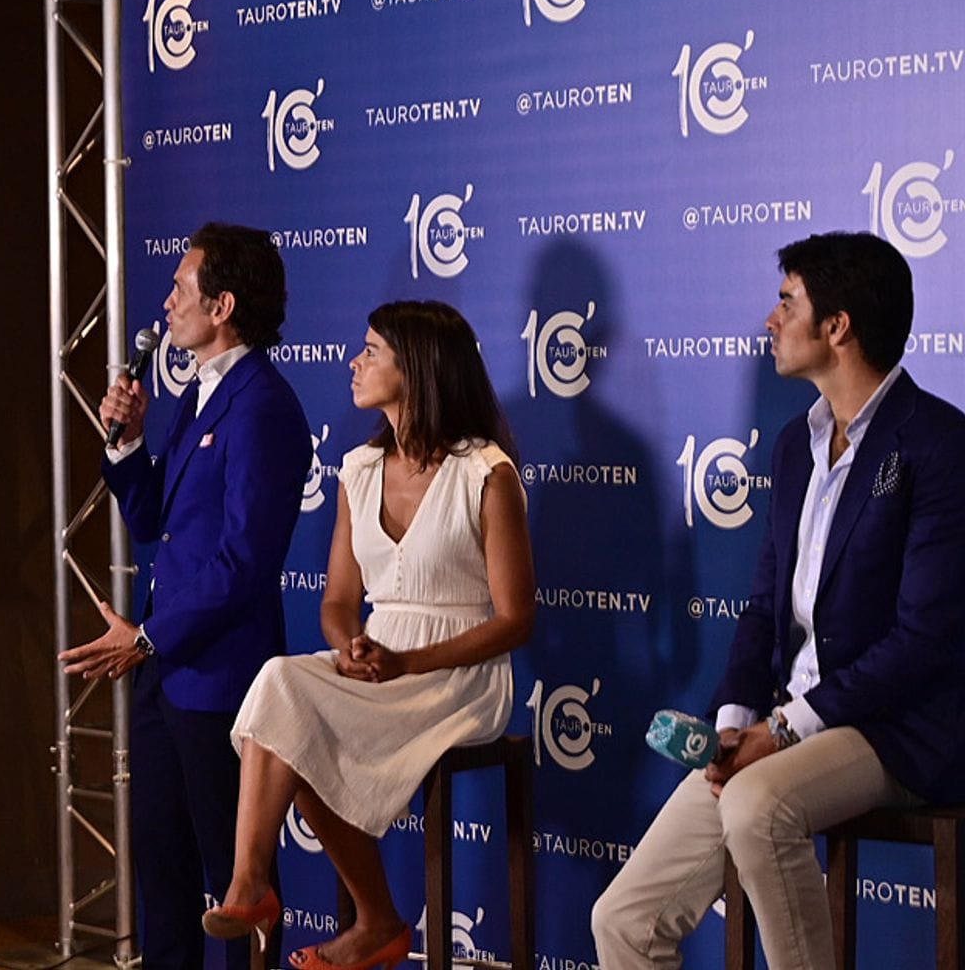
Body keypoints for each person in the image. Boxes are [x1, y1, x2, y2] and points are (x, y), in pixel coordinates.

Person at [591, 232, 965, 970]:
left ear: (838, 325)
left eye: (786, 301)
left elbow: (923, 641)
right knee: (623, 920)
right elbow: (763, 604)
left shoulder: (938, 443)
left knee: (758, 809)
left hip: (897, 729)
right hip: (780, 731)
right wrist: (733, 726)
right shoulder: (796, 444)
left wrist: (784, 731)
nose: (770, 320)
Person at [203, 300, 535, 970]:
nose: (354, 363)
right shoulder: (357, 469)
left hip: (458, 678)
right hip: (379, 663)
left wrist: (408, 662)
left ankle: (337, 909)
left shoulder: (486, 473)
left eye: (371, 350)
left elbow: (515, 620)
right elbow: (337, 600)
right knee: (282, 689)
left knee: (293, 710)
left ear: (415, 369)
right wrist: (351, 643)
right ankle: (264, 884)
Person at [60, 222, 313, 970]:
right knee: (163, 877)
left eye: (181, 285)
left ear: (223, 304)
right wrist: (127, 445)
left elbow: (243, 561)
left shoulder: (261, 405)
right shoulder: (200, 394)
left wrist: (144, 636)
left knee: (236, 890)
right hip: (168, 675)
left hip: (224, 682)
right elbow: (156, 525)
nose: (166, 300)